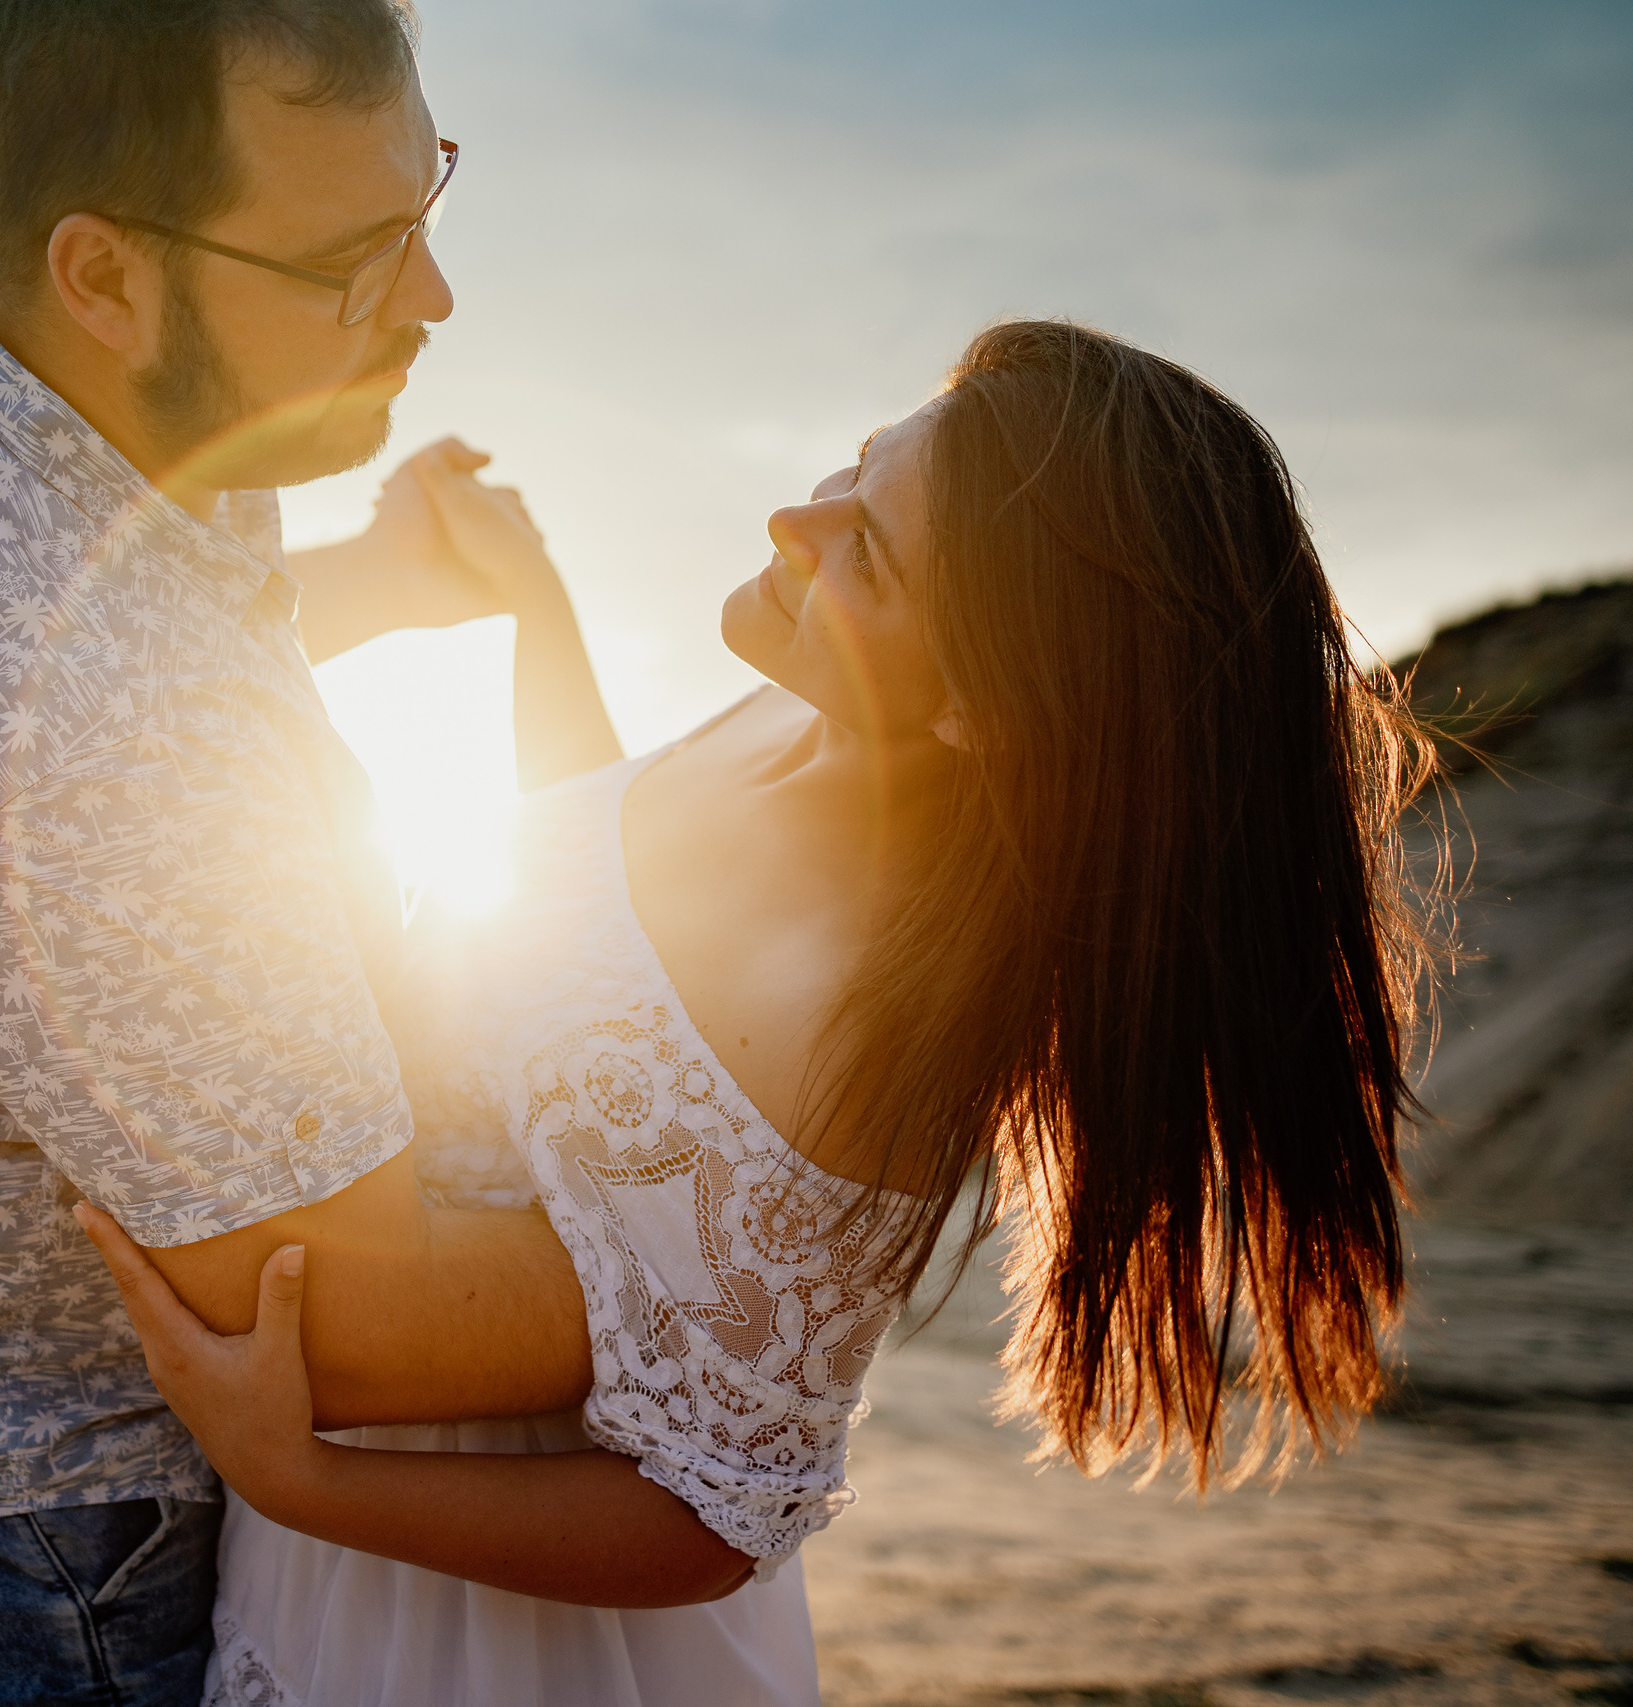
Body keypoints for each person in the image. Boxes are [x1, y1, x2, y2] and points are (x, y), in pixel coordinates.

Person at [80, 320, 1440, 1706]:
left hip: (490, 1650)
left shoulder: (852, 1038)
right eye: (859, 468)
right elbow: (608, 918)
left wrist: (299, 1476)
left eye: (874, 553)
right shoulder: (811, 719)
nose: (798, 521)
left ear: (978, 705)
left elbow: (712, 1512)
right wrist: (527, 600)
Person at [0, 3, 601, 1702]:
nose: (433, 299)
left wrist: (366, 578)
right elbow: (341, 1317)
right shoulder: (59, 683)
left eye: (426, 200)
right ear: (106, 273)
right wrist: (765, 1245)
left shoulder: (67, 369)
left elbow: (162, 648)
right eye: (356, 258)